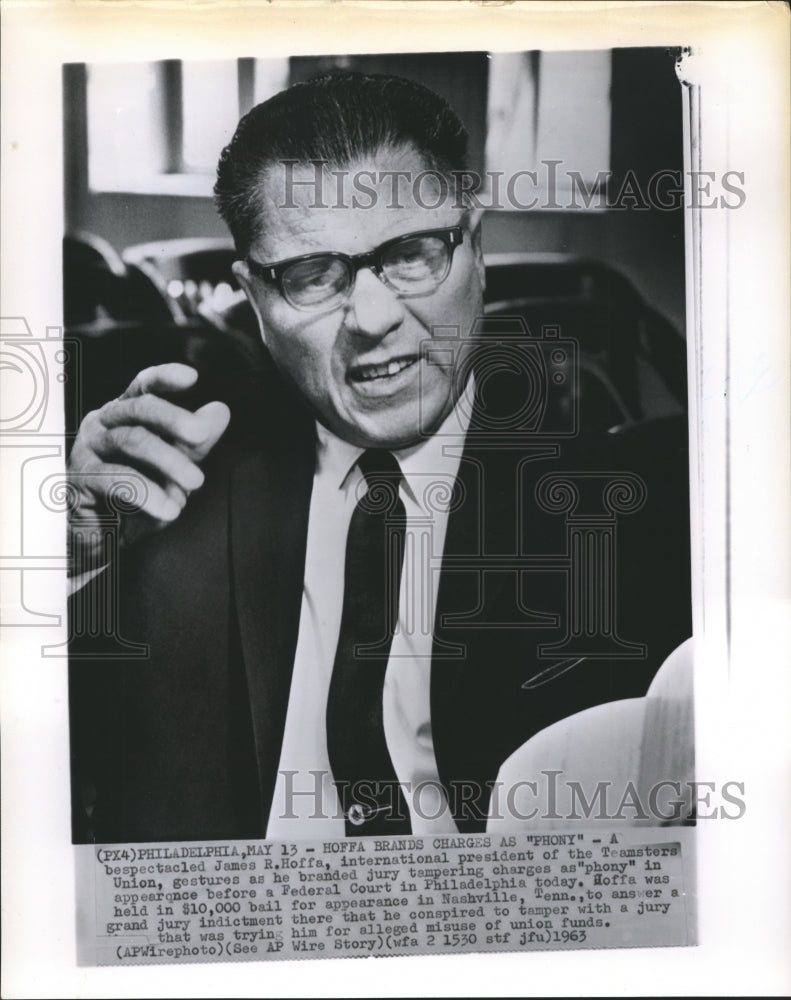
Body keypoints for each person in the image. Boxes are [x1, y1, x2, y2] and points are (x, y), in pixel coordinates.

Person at [67, 72, 691, 843]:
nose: (372, 318)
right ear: (251, 298)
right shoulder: (175, 494)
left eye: (410, 254)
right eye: (310, 275)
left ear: (475, 245)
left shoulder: (635, 507)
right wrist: (74, 559)